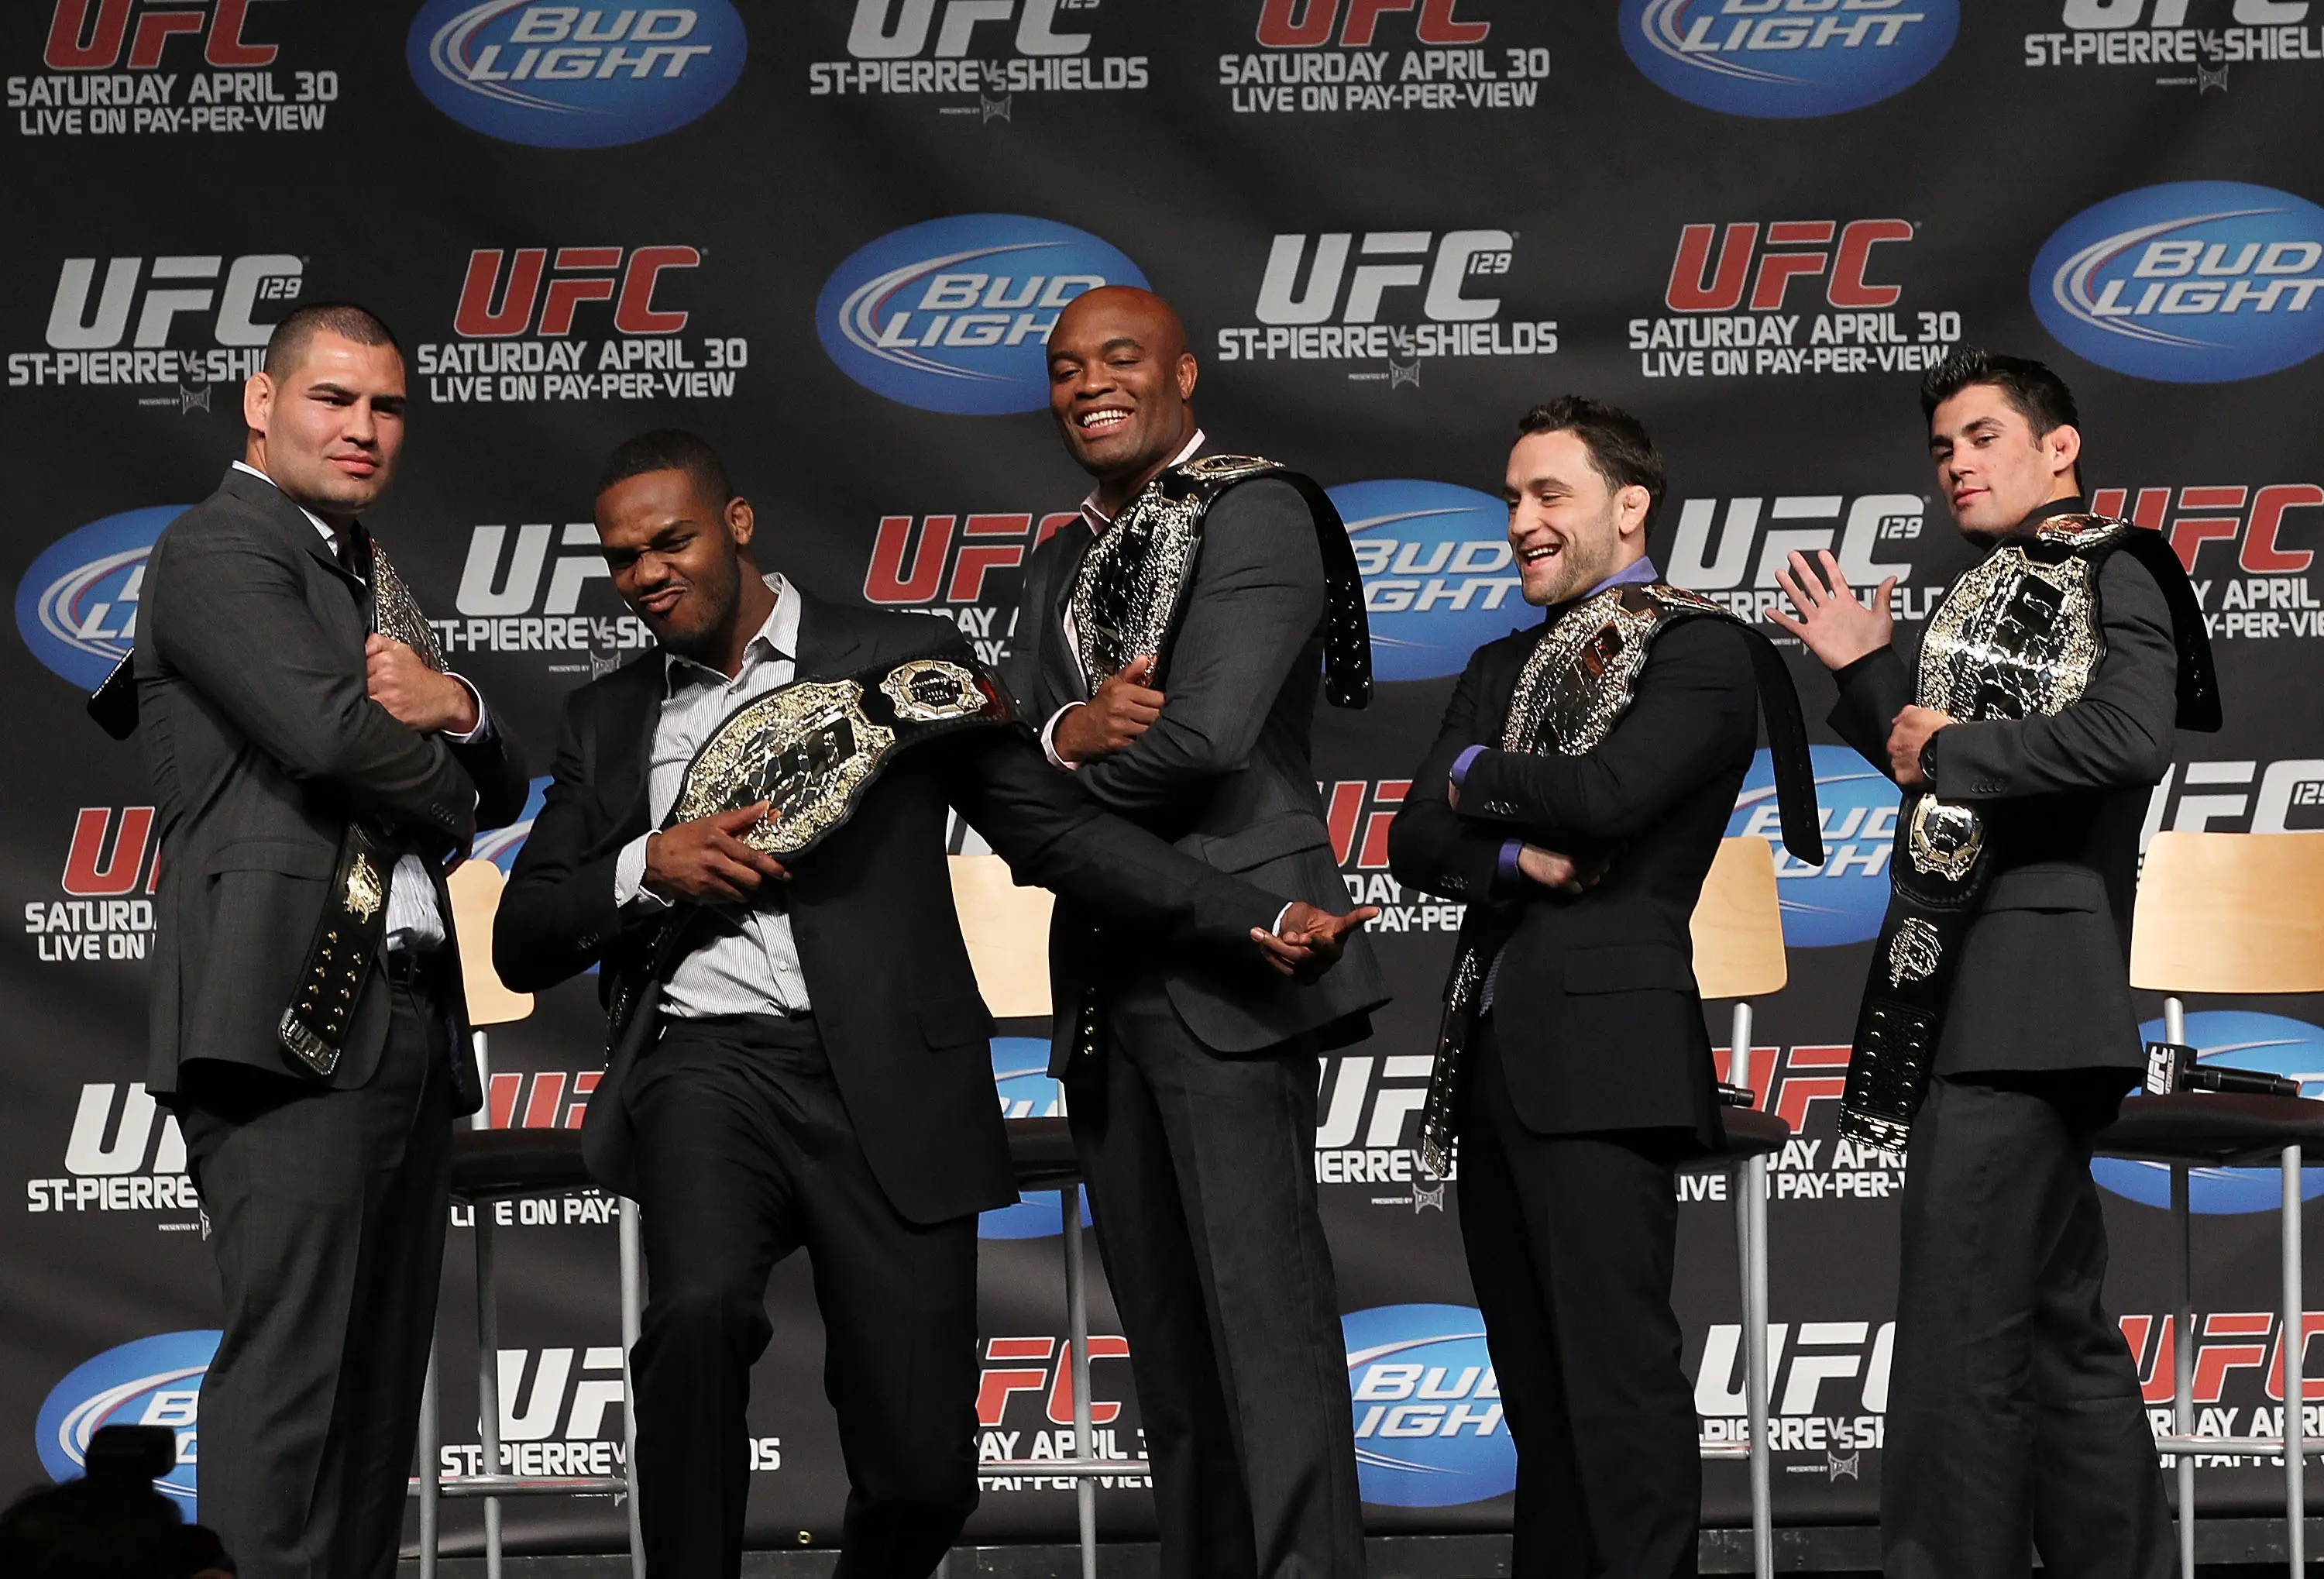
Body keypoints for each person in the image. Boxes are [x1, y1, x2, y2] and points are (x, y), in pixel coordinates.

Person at [492, 428, 1370, 1579]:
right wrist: (647, 865)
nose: (648, 574)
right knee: (696, 1315)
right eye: (622, 559)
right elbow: (523, 934)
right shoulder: (610, 719)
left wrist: (1240, 914)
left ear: (739, 524)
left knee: (924, 1470)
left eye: (672, 541)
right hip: (712, 1069)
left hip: (891, 1081)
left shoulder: (898, 661)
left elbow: (1053, 831)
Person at [1771, 348, 2209, 1579]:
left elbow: (2122, 738)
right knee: (2061, 1331)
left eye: (1982, 437)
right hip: (2008, 1001)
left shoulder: (2117, 564)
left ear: (2059, 446)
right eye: (1942, 448)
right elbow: (1944, 769)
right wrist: (1867, 677)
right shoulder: (2001, 591)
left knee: (1961, 1341)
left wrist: (1947, 740)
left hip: (2024, 998)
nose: (1956, 463)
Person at [1388, 397, 1817, 1579]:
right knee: (1535, 1392)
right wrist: (1516, 850)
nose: (1521, 521)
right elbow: (1412, 843)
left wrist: (1476, 770)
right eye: (1511, 499)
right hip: (1485, 1060)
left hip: (1605, 1057)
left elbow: (1614, 796)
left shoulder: (1703, 649)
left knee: (1613, 1382)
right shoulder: (1496, 662)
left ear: (1630, 506)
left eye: (1548, 495)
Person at [134, 302, 528, 1579]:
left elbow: (492, 755)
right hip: (285, 1014)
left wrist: (456, 704)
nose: (362, 428)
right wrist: (455, 782)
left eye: (387, 406)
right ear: (261, 402)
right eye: (333, 398)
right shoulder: (219, 547)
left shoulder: (364, 570)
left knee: (374, 1405)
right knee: (295, 1376)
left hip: (406, 1012)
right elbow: (326, 734)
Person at [1002, 285, 1390, 1579]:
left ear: (1185, 370)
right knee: (1169, 1356)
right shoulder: (1058, 559)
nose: (1089, 384)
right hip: (1108, 978)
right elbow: (1025, 742)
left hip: (1237, 962)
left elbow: (1200, 740)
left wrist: (1036, 792)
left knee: (1264, 1338)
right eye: (1065, 368)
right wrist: (1058, 741)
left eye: (1119, 358)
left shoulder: (1256, 507)